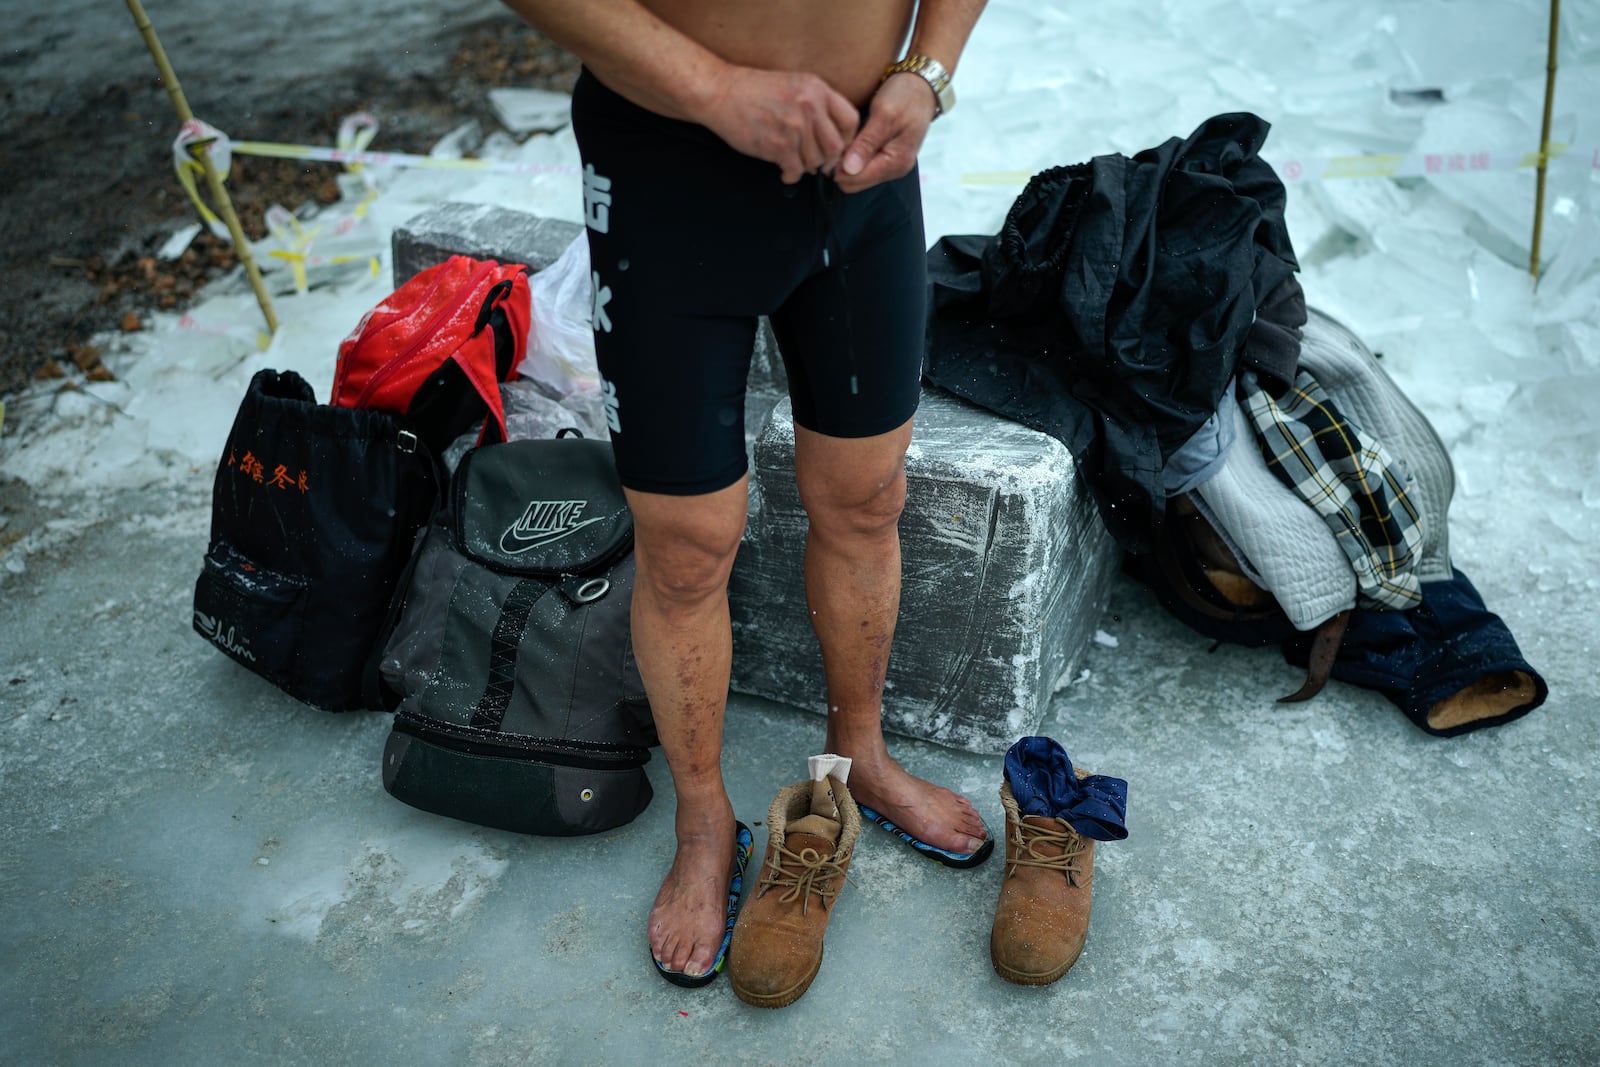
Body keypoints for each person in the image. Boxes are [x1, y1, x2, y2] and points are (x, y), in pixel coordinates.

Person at [498, 0, 990, 982]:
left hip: (864, 167)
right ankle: (701, 815)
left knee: (865, 495)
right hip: (667, 171)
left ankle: (859, 756)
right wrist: (714, 89)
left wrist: (926, 70)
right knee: (684, 544)